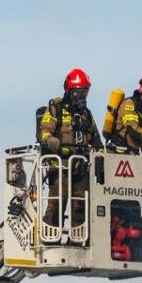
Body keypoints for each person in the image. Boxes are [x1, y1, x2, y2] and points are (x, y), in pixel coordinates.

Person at [36, 68, 102, 229]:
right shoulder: (56, 109)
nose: (82, 97)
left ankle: (78, 239)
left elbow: (96, 140)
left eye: (85, 92)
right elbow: (43, 131)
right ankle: (51, 235)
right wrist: (50, 140)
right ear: (70, 91)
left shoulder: (87, 114)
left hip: (81, 168)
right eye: (79, 93)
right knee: (58, 199)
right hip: (60, 167)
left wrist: (103, 159)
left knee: (81, 205)